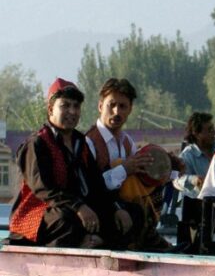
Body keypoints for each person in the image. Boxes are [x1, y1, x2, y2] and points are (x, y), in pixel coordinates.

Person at [8, 78, 135, 249]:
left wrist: (116, 207)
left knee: (130, 214)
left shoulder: (80, 142)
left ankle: (93, 241)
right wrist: (79, 206)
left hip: (80, 209)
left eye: (76, 106)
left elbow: (96, 184)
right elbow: (44, 189)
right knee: (65, 219)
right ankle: (88, 241)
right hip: (44, 211)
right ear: (51, 109)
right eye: (65, 106)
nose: (72, 111)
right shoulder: (37, 143)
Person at [85, 78, 183, 250]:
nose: (116, 111)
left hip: (126, 206)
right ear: (100, 106)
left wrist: (166, 170)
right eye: (111, 105)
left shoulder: (127, 142)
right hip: (100, 207)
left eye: (122, 106)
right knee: (134, 212)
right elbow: (90, 186)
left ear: (130, 109)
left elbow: (139, 179)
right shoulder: (89, 142)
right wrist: (124, 169)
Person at [173, 112, 215, 199]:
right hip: (199, 202)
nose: (214, 132)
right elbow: (179, 180)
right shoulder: (187, 156)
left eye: (213, 128)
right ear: (197, 134)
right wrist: (194, 180)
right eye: (209, 130)